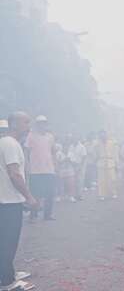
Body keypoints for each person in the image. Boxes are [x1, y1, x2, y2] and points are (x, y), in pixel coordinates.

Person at [0, 112, 38, 291]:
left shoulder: (7, 143)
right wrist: (29, 196)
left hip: (6, 199)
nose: (29, 125)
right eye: (26, 122)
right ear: (14, 124)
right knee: (8, 241)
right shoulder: (10, 143)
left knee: (6, 240)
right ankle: (7, 282)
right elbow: (14, 173)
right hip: (7, 201)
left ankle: (9, 272)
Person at [24, 115, 57, 221]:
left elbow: (53, 152)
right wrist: (27, 165)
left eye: (44, 123)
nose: (42, 125)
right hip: (35, 170)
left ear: (46, 124)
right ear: (37, 124)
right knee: (35, 194)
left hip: (49, 169)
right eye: (40, 123)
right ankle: (33, 214)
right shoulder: (31, 136)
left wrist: (55, 166)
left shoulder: (50, 136)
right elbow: (26, 152)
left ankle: (48, 215)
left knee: (50, 193)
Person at [96, 130, 119, 200]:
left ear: (106, 135)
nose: (103, 136)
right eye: (101, 135)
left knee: (112, 179)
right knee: (101, 180)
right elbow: (95, 153)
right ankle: (102, 195)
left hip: (110, 162)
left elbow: (116, 153)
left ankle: (114, 193)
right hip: (101, 162)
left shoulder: (112, 143)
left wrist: (117, 163)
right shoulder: (97, 144)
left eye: (104, 134)